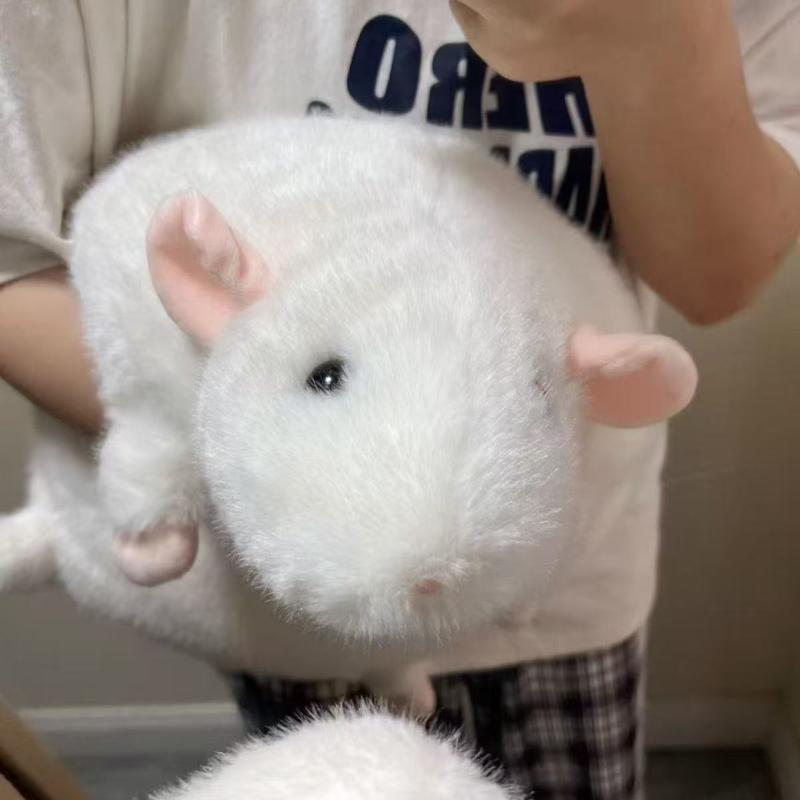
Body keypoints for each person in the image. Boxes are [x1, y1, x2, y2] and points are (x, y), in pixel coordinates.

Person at [0, 2, 798, 797]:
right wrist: (253, 441)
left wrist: (666, 32)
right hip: (285, 582)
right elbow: (12, 265)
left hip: (561, 575)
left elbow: (718, 278)